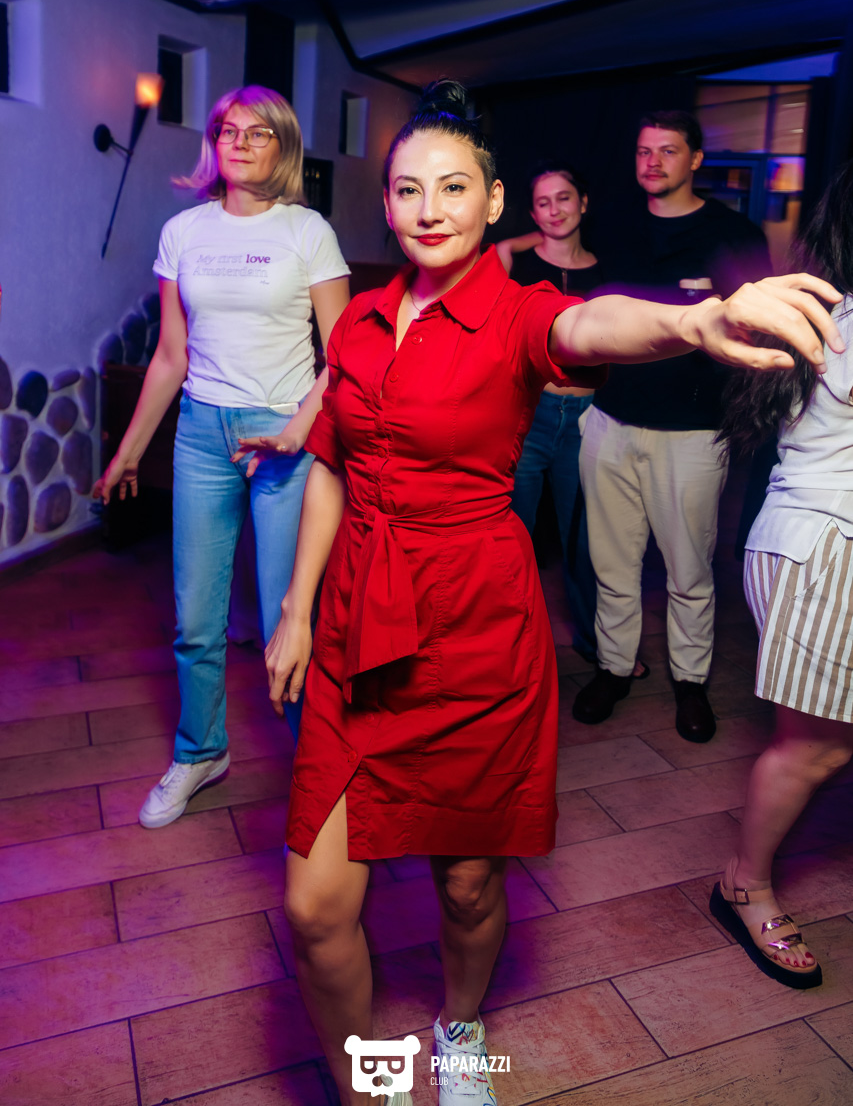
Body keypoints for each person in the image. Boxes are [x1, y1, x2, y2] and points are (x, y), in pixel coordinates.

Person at [263, 80, 842, 1106]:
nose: (429, 208)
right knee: (314, 908)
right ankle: (362, 1089)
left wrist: (694, 318)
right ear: (386, 203)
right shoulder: (356, 323)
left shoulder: (518, 310)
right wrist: (297, 611)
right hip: (359, 629)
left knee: (467, 883)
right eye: (408, 189)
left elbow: (592, 327)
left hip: (474, 634)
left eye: (454, 187)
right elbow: (330, 467)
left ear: (494, 203)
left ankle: (459, 1028)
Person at [94, 85, 350, 828]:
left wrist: (299, 429)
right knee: (196, 619)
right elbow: (171, 355)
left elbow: (344, 357)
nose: (240, 142)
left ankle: (316, 772)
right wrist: (128, 454)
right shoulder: (183, 231)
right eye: (228, 130)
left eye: (258, 132)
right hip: (202, 435)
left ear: (282, 146)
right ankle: (201, 749)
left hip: (283, 437)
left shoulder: (308, 231)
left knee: (285, 618)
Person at [576, 111, 771, 742]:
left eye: (667, 150)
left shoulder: (733, 233)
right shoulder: (612, 225)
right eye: (643, 151)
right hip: (609, 420)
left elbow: (753, 332)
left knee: (688, 571)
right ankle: (613, 668)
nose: (653, 162)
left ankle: (691, 682)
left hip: (691, 432)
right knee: (612, 564)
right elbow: (557, 246)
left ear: (696, 160)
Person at [712, 162, 853, 989]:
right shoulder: (844, 321)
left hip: (812, 543)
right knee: (812, 749)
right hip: (823, 552)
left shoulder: (830, 309)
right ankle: (743, 883)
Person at [498, 162, 603, 661]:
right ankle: (508, 647)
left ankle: (596, 645)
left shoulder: (607, 269)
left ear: (583, 202)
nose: (555, 210)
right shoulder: (511, 260)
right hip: (528, 415)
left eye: (564, 198)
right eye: (543, 202)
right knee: (510, 534)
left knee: (583, 540)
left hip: (587, 419)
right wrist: (530, 241)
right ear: (532, 213)